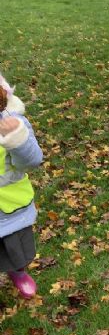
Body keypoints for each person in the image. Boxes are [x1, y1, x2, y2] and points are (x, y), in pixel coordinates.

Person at [0, 73, 43, 298]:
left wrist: (16, 139)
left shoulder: (11, 121)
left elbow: (33, 160)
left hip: (8, 210)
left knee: (13, 249)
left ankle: (17, 272)